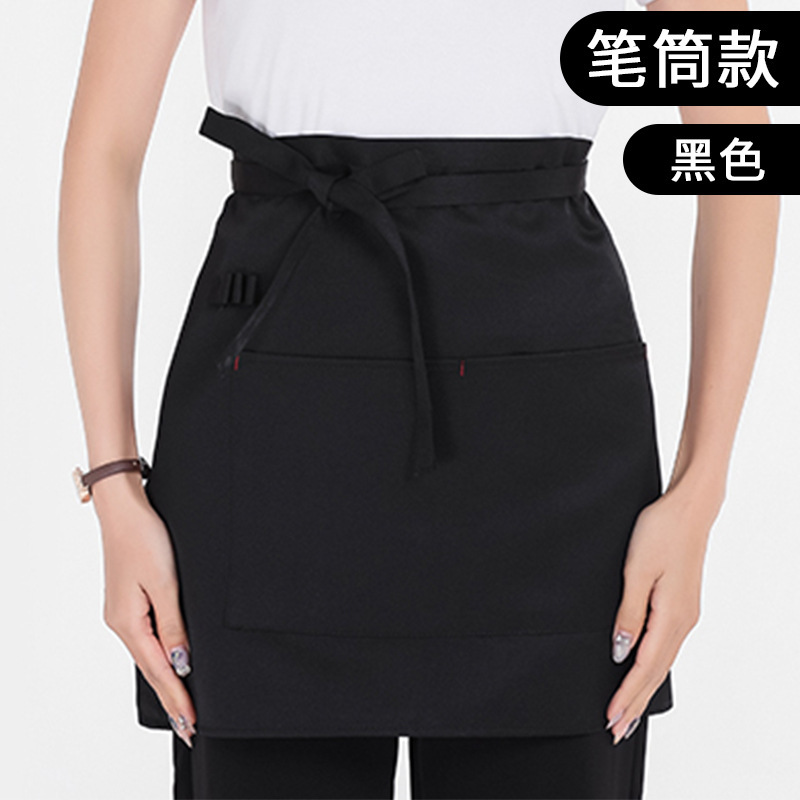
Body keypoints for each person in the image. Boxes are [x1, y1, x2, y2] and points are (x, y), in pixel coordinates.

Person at [59, 0, 778, 798]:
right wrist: (114, 485)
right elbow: (103, 150)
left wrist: (699, 492)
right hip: (273, 442)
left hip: (550, 448)